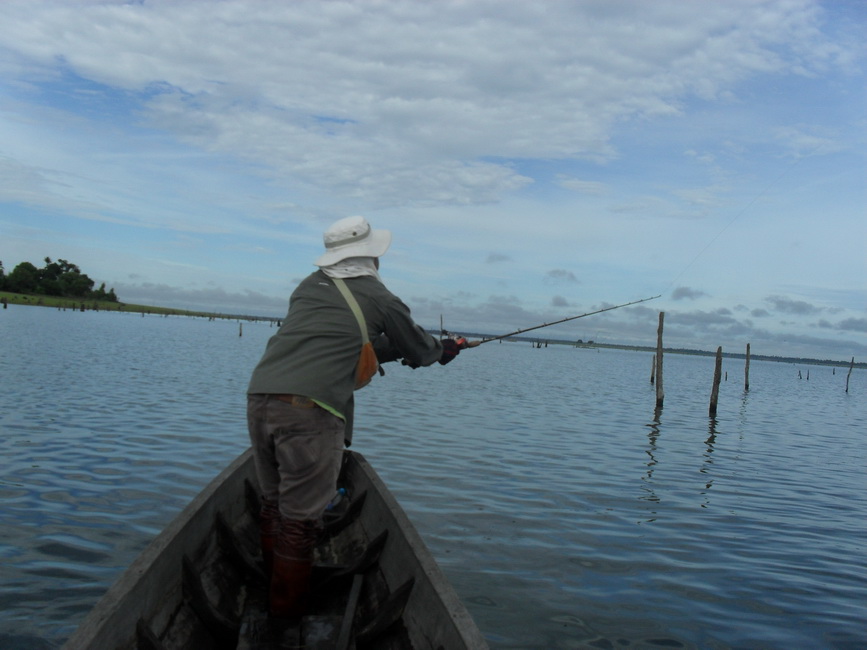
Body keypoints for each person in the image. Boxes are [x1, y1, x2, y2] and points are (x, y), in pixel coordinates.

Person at [246, 215, 465, 619]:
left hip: (261, 398)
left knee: (273, 505)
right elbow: (420, 349)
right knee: (299, 523)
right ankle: (283, 618)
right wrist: (444, 349)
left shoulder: (308, 287)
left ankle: (267, 593)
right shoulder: (381, 299)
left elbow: (347, 342)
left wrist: (399, 350)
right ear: (371, 257)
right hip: (310, 410)